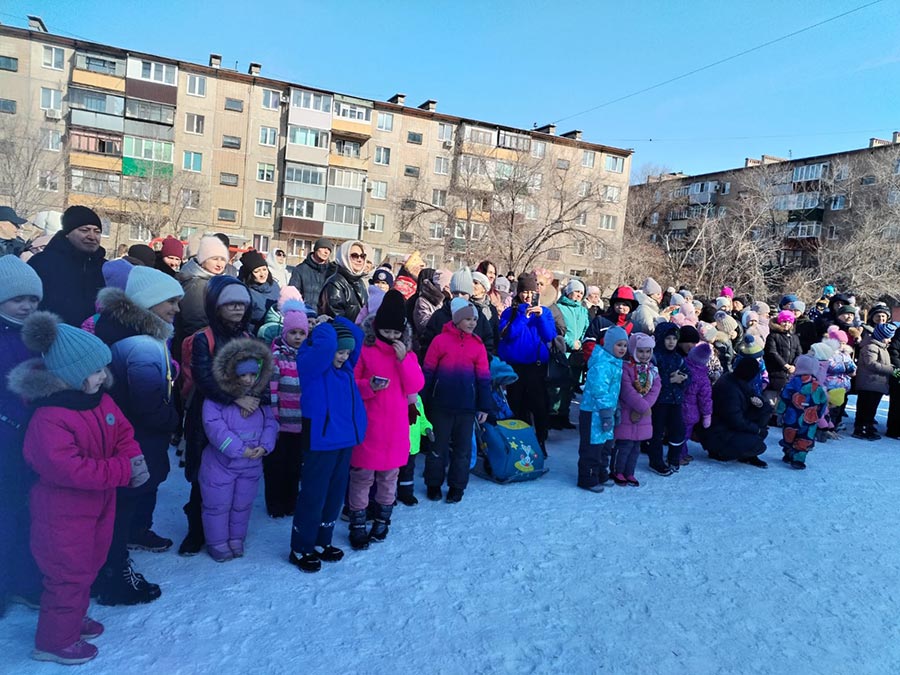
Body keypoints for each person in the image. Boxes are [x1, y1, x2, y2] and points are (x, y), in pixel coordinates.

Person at [9, 312, 147, 665]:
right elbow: (65, 468)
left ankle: (71, 618)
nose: (104, 376)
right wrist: (121, 469)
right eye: (96, 370)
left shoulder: (100, 401)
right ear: (70, 374)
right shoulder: (49, 416)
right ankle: (54, 641)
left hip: (100, 502)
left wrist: (133, 459)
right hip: (62, 510)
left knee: (88, 565)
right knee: (66, 574)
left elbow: (124, 433)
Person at [92, 267, 184, 605]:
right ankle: (115, 573)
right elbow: (149, 401)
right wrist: (174, 418)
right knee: (124, 502)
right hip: (139, 434)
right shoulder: (143, 344)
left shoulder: (130, 332)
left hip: (125, 431)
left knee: (121, 504)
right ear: (149, 303)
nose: (176, 308)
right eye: (170, 302)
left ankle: (111, 563)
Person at [179, 276, 256, 556]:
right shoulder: (204, 338)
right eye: (230, 304)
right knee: (203, 475)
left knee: (232, 471)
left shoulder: (247, 337)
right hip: (206, 415)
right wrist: (236, 397)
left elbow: (258, 374)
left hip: (239, 417)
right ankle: (196, 531)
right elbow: (204, 377)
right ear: (217, 306)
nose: (237, 309)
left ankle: (225, 531)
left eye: (241, 304)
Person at [348, 290, 424, 548]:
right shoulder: (366, 351)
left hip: (395, 429)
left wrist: (404, 360)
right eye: (387, 332)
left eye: (395, 333)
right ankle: (358, 522)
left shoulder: (407, 354)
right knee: (362, 478)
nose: (391, 337)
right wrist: (368, 386)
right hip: (369, 428)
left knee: (389, 478)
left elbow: (416, 384)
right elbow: (352, 383)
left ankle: (383, 520)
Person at [290, 317, 366, 573]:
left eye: (347, 352)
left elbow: (358, 335)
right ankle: (301, 546)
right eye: (339, 351)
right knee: (314, 494)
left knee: (334, 495)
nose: (344, 356)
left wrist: (338, 319)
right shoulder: (312, 366)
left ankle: (323, 541)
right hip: (321, 441)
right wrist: (325, 327)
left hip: (344, 440)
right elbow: (324, 347)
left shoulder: (345, 370)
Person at [200, 338, 277, 561]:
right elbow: (214, 427)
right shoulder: (217, 401)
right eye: (242, 375)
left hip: (251, 464)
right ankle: (217, 542)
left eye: (252, 375)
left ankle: (236, 538)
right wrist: (238, 449)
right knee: (218, 505)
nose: (248, 380)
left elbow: (271, 422)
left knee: (242, 504)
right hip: (220, 465)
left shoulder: (259, 399)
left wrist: (265, 445)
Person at [0, 256, 44, 614]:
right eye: (19, 300)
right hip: (6, 435)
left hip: (36, 435)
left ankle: (26, 581)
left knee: (31, 510)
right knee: (7, 512)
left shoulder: (39, 335)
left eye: (33, 299)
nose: (28, 306)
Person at [422, 298, 492, 503]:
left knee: (462, 450)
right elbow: (427, 372)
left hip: (466, 407)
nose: (472, 323)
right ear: (457, 320)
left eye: (474, 320)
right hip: (441, 405)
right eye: (468, 319)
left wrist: (484, 406)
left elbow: (484, 379)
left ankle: (457, 486)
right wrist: (423, 401)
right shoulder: (440, 341)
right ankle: (433, 484)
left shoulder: (477, 346)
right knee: (437, 448)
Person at [498, 273, 557, 456]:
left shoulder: (545, 312)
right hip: (515, 367)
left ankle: (540, 440)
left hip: (536, 366)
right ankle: (520, 442)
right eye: (524, 292)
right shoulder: (511, 312)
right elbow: (508, 335)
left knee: (539, 406)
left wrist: (539, 317)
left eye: (532, 291)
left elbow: (549, 337)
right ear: (518, 293)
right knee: (517, 406)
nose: (528, 296)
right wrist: (523, 315)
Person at [264, 300, 308, 518]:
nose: (298, 337)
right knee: (276, 466)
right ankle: (275, 504)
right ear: (285, 333)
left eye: (302, 333)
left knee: (294, 466)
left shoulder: (308, 357)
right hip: (281, 424)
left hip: (300, 424)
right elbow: (272, 389)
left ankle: (290, 502)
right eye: (293, 333)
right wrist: (273, 419)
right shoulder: (277, 357)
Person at [27, 205, 106, 327]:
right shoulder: (43, 262)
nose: (92, 236)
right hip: (51, 337)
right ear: (67, 233)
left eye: (97, 231)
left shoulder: (105, 267)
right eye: (84, 230)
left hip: (94, 341)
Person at [577, 326, 627, 492]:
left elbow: (613, 391)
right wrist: (607, 413)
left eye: (624, 345)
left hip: (606, 412)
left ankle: (600, 474)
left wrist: (616, 408)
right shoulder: (602, 364)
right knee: (593, 447)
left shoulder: (614, 363)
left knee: (605, 446)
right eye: (618, 345)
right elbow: (599, 390)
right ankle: (587, 478)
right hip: (594, 413)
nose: (622, 349)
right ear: (609, 344)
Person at [703, 358, 771, 467]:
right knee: (759, 445)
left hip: (727, 427)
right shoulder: (729, 389)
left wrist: (760, 404)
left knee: (764, 410)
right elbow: (735, 420)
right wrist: (756, 429)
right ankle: (721, 452)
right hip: (719, 432)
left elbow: (754, 397)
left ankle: (746, 451)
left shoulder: (737, 379)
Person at [612, 332, 660, 486]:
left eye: (648, 351)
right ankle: (617, 470)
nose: (644, 355)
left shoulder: (652, 370)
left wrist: (645, 406)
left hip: (644, 415)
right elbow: (626, 390)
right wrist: (642, 406)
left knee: (635, 447)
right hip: (627, 412)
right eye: (640, 351)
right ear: (633, 350)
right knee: (624, 445)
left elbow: (656, 388)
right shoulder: (626, 368)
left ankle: (629, 472)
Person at [174, 234, 230, 359]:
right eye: (214, 259)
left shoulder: (216, 280)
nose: (219, 264)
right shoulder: (197, 285)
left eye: (222, 259)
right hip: (199, 350)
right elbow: (195, 323)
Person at [420, 268, 495, 357]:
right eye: (456, 293)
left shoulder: (479, 317)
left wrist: (481, 364)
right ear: (451, 293)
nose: (459, 297)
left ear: (470, 294)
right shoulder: (439, 316)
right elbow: (427, 344)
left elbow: (488, 344)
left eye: (463, 293)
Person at [647, 322, 689, 476]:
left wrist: (683, 378)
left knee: (677, 430)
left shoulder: (678, 357)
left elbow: (688, 374)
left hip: (675, 400)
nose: (671, 342)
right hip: (658, 401)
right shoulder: (654, 356)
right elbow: (650, 377)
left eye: (674, 338)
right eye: (667, 338)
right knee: (657, 432)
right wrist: (669, 380)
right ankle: (655, 461)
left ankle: (673, 457)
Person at [777, 354, 828, 469]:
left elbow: (784, 399)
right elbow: (823, 403)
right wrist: (818, 416)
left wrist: (780, 412)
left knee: (789, 435)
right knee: (805, 438)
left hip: (792, 417)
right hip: (809, 420)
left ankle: (788, 452)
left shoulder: (791, 384)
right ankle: (798, 459)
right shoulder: (818, 387)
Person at [551, 279, 589, 430]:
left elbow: (587, 327)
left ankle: (564, 415)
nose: (579, 295)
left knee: (570, 387)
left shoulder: (583, 310)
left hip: (576, 354)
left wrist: (581, 342)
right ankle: (553, 416)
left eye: (581, 292)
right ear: (568, 292)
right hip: (562, 352)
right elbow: (557, 329)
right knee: (557, 387)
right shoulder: (559, 307)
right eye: (576, 291)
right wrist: (569, 342)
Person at [853, 322, 896, 441]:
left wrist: (894, 370)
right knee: (865, 408)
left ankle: (868, 426)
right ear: (881, 337)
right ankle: (861, 428)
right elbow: (871, 364)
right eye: (888, 338)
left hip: (876, 384)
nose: (890, 341)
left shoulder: (882, 347)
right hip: (869, 383)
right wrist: (891, 369)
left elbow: (885, 364)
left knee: (871, 409)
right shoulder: (871, 347)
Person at [318, 240, 369, 322]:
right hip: (344, 333)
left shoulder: (360, 282)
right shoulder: (335, 284)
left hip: (360, 333)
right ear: (344, 257)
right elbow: (336, 319)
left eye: (362, 256)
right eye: (354, 256)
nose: (359, 260)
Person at [680, 342, 713, 465]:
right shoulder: (702, 377)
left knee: (679, 432)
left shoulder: (682, 365)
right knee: (684, 434)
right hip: (690, 410)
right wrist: (707, 415)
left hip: (677, 405)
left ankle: (682, 452)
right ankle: (678, 455)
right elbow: (705, 399)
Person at [763, 310, 802, 412]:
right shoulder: (773, 336)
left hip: (790, 372)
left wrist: (793, 365)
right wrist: (785, 365)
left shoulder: (794, 337)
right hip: (775, 370)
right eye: (784, 321)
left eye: (789, 322)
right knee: (772, 397)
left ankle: (781, 416)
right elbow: (772, 352)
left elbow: (799, 352)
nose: (786, 324)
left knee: (786, 397)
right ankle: (770, 417)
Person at [238, 249, 281, 333]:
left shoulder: (274, 285)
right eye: (257, 271)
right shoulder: (244, 292)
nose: (262, 274)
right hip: (253, 334)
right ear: (249, 274)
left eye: (264, 269)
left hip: (275, 332)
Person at [289, 238, 334, 308]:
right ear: (316, 249)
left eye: (329, 249)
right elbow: (293, 296)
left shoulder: (332, 271)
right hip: (306, 314)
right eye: (323, 248)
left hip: (327, 316)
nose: (326, 252)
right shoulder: (300, 270)